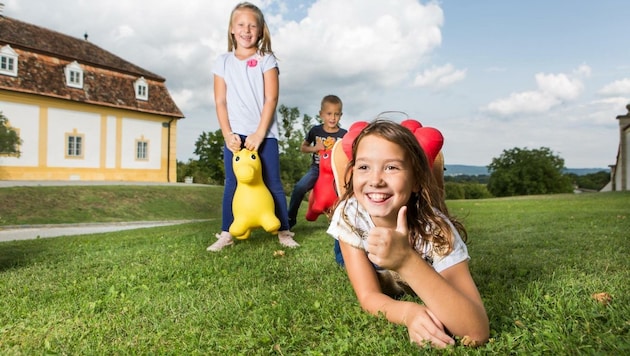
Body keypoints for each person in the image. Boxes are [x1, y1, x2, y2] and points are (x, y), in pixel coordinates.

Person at [327, 120, 489, 348]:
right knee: (343, 255)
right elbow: (368, 296)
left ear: (415, 181)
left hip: (412, 239)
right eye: (364, 167)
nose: (375, 180)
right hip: (359, 242)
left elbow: (476, 331)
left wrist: (406, 260)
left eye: (391, 167)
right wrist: (408, 312)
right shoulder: (349, 214)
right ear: (353, 173)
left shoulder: (437, 232)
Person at [207, 2, 298, 252]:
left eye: (252, 25)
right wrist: (227, 134)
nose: (246, 30)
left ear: (260, 31)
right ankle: (227, 232)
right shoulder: (222, 61)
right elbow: (220, 101)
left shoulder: (266, 60)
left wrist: (259, 133)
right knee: (232, 183)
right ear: (232, 29)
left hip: (264, 134)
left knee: (272, 181)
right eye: (241, 25)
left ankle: (284, 231)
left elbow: (271, 99)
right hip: (235, 135)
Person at [287, 94, 347, 229]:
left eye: (336, 114)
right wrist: (315, 148)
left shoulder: (344, 134)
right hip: (317, 169)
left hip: (336, 171)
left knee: (346, 192)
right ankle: (290, 219)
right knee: (300, 187)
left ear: (341, 115)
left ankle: (343, 221)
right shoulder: (315, 130)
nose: (332, 118)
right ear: (321, 114)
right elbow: (303, 147)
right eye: (329, 113)